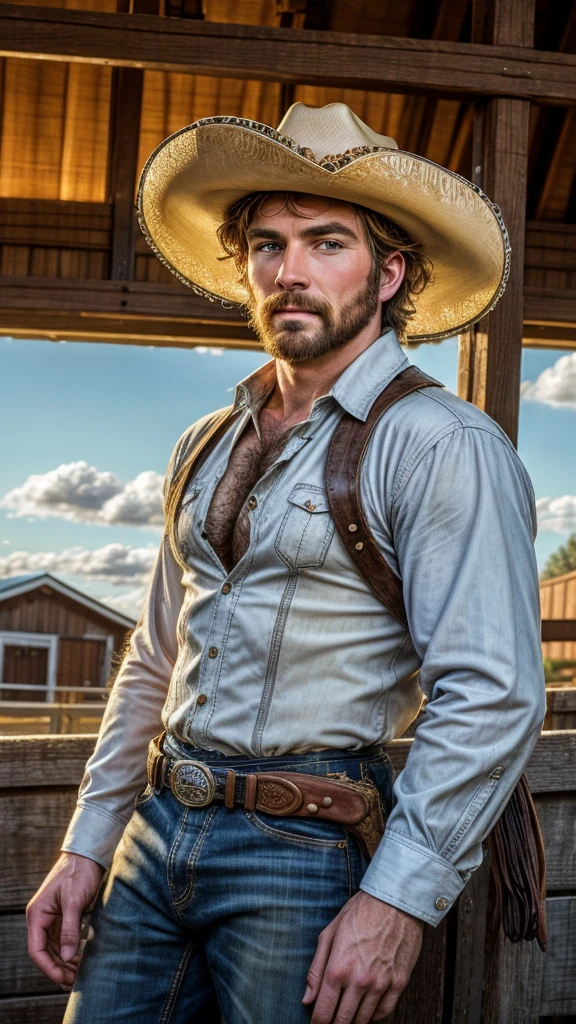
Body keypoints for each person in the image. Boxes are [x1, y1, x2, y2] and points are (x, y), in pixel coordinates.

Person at [27, 103, 545, 1024]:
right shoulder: (207, 439)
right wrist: (88, 841)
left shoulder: (440, 444)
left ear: (388, 274)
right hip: (158, 830)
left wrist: (395, 899)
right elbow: (154, 657)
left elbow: (492, 691)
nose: (289, 271)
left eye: (326, 243)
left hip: (307, 849)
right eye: (267, 244)